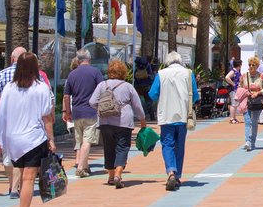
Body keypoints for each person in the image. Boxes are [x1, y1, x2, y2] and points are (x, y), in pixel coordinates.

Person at [0, 52, 54, 207]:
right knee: (28, 180)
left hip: (13, 140)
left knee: (21, 177)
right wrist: (50, 139)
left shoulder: (9, 88)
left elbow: (1, 115)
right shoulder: (41, 88)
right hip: (33, 139)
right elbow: (47, 117)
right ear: (36, 67)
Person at [90, 60, 146, 188]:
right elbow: (137, 105)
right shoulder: (127, 86)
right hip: (123, 122)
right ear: (123, 72)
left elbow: (92, 102)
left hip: (105, 122)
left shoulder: (101, 85)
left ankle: (110, 176)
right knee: (122, 147)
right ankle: (118, 174)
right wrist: (142, 120)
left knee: (108, 148)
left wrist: (102, 109)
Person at [149, 52, 198, 190]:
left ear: (167, 61)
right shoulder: (188, 73)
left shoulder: (161, 74)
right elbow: (194, 95)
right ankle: (177, 176)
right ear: (180, 60)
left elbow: (152, 94)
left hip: (166, 115)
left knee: (167, 144)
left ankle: (170, 171)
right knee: (180, 145)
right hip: (183, 116)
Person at [0, 46, 27, 198]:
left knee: (7, 156)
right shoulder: (32, 75)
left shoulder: (2, 74)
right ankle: (17, 187)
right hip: (25, 121)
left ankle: (13, 184)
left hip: (7, 120)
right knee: (21, 155)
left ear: (12, 58)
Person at [62, 48, 105, 178]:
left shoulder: (72, 74)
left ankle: (85, 166)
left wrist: (67, 112)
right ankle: (81, 167)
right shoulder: (95, 72)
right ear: (89, 59)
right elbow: (103, 90)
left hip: (76, 112)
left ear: (78, 60)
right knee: (87, 140)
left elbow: (66, 96)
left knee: (80, 141)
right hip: (91, 112)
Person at [238, 56, 263, 151]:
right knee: (248, 122)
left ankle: (253, 142)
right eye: (249, 64)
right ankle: (247, 141)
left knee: (254, 122)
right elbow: (239, 87)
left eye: (253, 65)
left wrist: (257, 93)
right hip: (246, 101)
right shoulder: (244, 76)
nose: (250, 66)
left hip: (257, 101)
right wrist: (245, 93)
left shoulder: (261, 76)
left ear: (257, 66)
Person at [223, 59, 243, 124]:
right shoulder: (233, 71)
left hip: (236, 89)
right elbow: (227, 77)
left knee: (235, 104)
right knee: (233, 104)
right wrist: (233, 84)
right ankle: (232, 118)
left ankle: (234, 117)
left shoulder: (237, 71)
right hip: (233, 90)